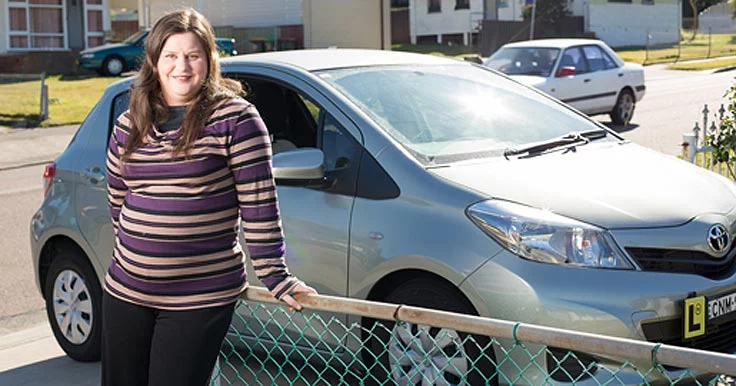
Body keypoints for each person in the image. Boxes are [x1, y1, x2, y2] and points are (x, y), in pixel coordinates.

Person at [102, 8, 317, 386]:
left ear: (209, 60)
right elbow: (118, 197)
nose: (181, 66)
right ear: (154, 61)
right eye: (171, 56)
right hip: (126, 291)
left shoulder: (237, 119)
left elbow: (259, 205)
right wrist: (147, 245)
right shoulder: (129, 121)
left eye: (193, 55)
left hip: (197, 298)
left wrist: (275, 275)